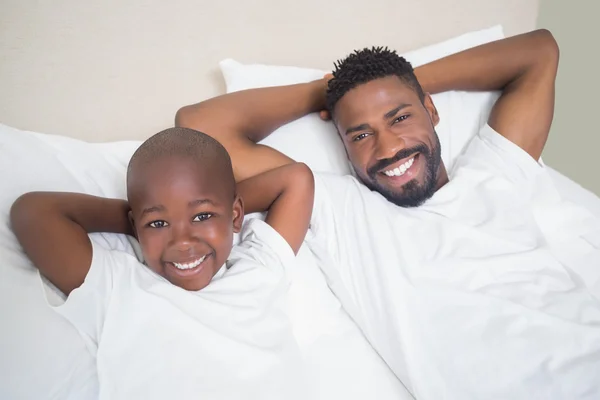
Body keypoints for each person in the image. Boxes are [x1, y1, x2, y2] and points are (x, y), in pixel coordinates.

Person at [176, 29, 600, 398]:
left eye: (400, 117)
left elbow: (539, 51)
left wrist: (400, 81)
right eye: (360, 134)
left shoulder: (495, 171)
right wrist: (326, 93)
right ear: (343, 148)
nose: (389, 147)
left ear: (431, 111)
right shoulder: (339, 208)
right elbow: (198, 125)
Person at [10, 127, 314, 400]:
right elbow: (32, 213)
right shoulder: (118, 288)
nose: (181, 241)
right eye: (159, 223)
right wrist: (138, 220)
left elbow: (296, 178)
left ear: (236, 216)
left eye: (202, 216)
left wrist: (167, 214)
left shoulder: (259, 270)